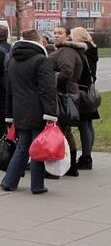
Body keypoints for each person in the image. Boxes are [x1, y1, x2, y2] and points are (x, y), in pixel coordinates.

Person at [0, 30, 58, 194]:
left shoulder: (12, 61)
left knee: (23, 146)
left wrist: (9, 115)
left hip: (19, 111)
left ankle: (9, 181)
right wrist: (51, 114)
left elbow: (9, 91)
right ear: (38, 41)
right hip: (38, 111)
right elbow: (48, 90)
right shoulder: (42, 61)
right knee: (38, 147)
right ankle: (37, 185)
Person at [50, 25, 85, 177]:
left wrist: (51, 79)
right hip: (66, 93)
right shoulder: (65, 50)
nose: (56, 35)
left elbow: (67, 72)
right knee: (65, 130)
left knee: (59, 129)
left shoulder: (66, 51)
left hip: (63, 95)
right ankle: (71, 166)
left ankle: (61, 166)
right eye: (55, 33)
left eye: (60, 33)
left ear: (68, 36)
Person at [72, 27, 99, 170]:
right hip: (89, 92)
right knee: (88, 123)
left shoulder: (83, 52)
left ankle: (86, 157)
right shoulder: (92, 50)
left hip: (82, 92)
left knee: (83, 124)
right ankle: (88, 155)